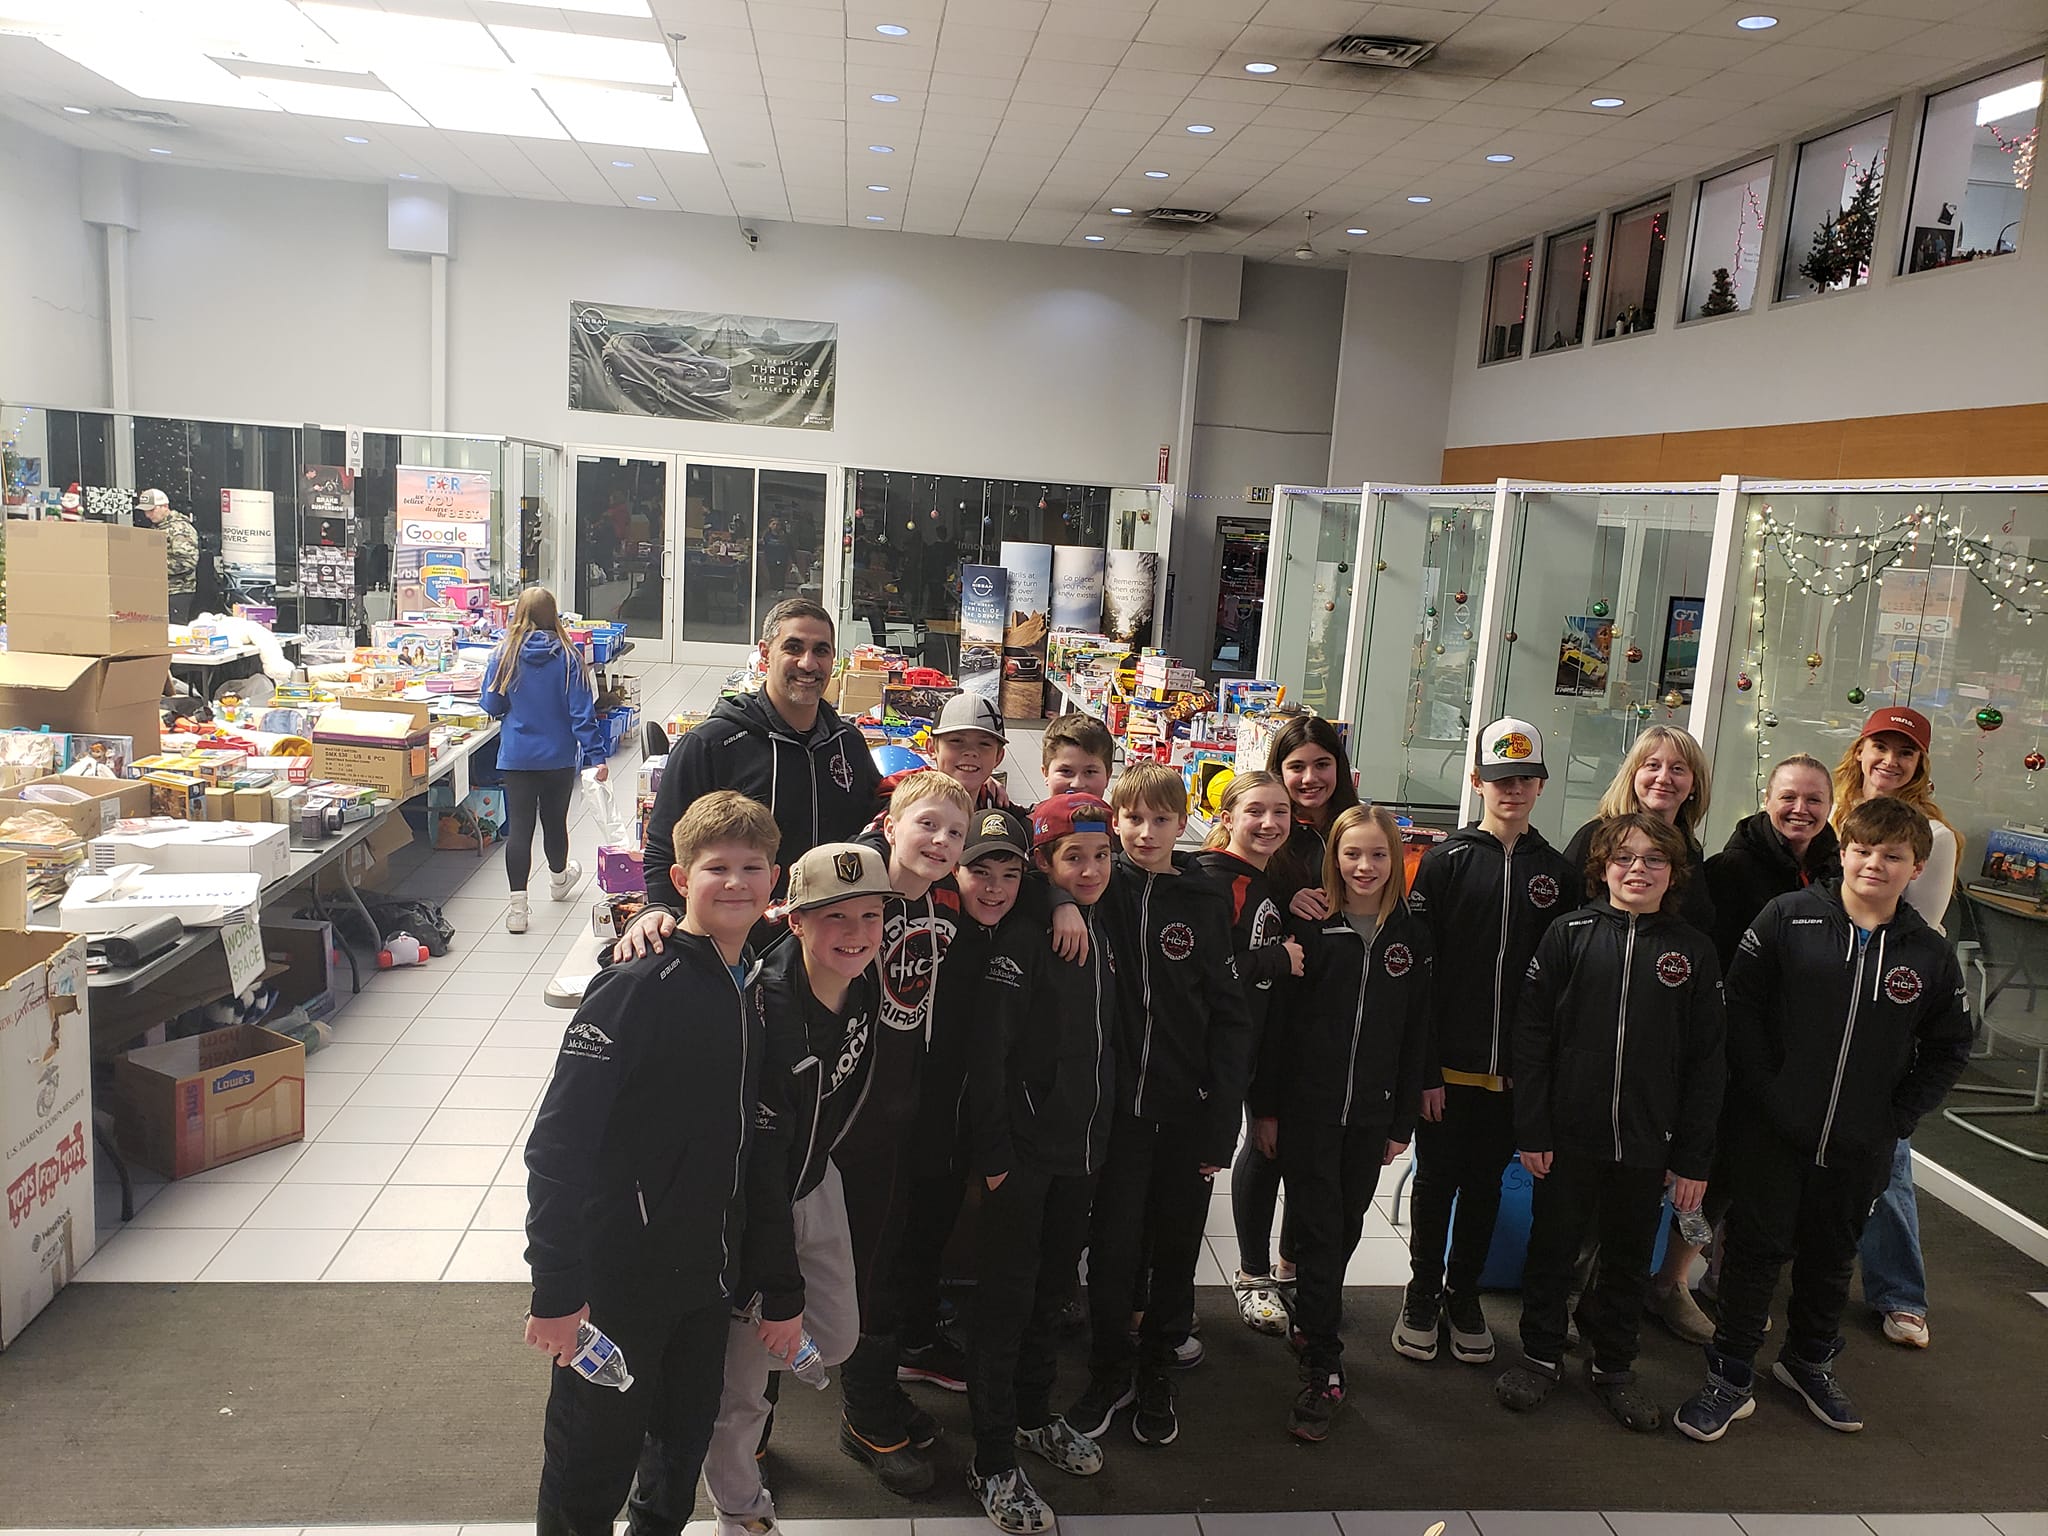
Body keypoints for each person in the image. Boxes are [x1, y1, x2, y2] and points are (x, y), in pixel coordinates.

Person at [522, 791, 789, 1536]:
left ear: (775, 879)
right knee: (588, 1465)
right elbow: (557, 1146)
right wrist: (556, 1288)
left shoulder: (750, 977)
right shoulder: (636, 984)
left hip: (706, 1279)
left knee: (678, 1453)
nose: (735, 882)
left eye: (752, 868)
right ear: (678, 878)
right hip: (621, 1282)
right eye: (716, 868)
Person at [1676, 796, 1971, 1443]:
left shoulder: (1927, 953)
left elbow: (1950, 1046)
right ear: (1844, 854)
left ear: (1917, 867)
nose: (1874, 865)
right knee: (1753, 1256)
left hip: (1861, 1142)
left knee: (1832, 1257)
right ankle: (1729, 1375)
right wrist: (1765, 1094)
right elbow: (1741, 1010)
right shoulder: (1789, 918)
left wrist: (1896, 1117)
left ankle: (1807, 1361)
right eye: (1862, 850)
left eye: (1892, 856)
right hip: (1773, 1131)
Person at [1496, 813, 1724, 1433]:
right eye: (1624, 857)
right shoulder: (1568, 934)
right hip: (1568, 1134)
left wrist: (1693, 1157)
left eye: (1654, 859)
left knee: (1628, 1258)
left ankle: (1615, 1366)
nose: (1637, 869)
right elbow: (1531, 1037)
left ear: (1673, 873)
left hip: (1650, 1140)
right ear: (1602, 868)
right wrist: (1533, 1129)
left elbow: (1707, 1061)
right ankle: (1540, 1356)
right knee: (1553, 1248)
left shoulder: (1693, 951)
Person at [700, 842, 893, 1536]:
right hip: (754, 1209)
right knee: (742, 1396)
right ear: (796, 920)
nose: (856, 933)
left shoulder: (861, 980)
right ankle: (739, 1509)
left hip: (813, 1179)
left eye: (869, 916)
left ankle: (735, 1343)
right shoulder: (768, 1013)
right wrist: (777, 1296)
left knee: (836, 1337)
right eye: (834, 916)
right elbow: (758, 1173)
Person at [1068, 764, 1252, 1450]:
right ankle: (1108, 1369)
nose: (1146, 833)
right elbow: (1046, 870)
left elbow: (1229, 1016)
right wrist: (1060, 903)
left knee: (1176, 1248)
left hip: (1185, 1111)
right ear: (1114, 821)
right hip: (1116, 1114)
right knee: (1113, 1251)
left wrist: (1221, 1122)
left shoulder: (1203, 900)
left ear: (1184, 824)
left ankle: (1156, 1369)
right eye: (1133, 819)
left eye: (1162, 820)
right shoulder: (1099, 888)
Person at [1397, 717, 1577, 1368]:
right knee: (1436, 1181)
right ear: (1477, 781)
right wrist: (1424, 1069)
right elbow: (1420, 975)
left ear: (1541, 785)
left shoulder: (1556, 873)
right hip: (1447, 1069)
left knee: (1485, 1186)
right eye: (1501, 779)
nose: (1513, 789)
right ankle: (1422, 1291)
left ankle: (1463, 1294)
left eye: (1526, 778)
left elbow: (1561, 984)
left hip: (1515, 1074)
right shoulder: (1445, 863)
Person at [966, 792, 1120, 1534]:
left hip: (1079, 1154)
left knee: (1051, 1297)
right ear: (1045, 866)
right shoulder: (1027, 937)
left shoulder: (1100, 925)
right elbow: (988, 1057)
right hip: (1023, 1159)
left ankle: (1032, 1416)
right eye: (1073, 859)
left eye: (1100, 856)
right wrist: (998, 1155)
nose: (1089, 871)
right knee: (1005, 1306)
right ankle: (992, 1458)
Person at [1646, 753, 1838, 1338]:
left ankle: (1722, 1279)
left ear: (1830, 807)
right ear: (1766, 800)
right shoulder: (1730, 870)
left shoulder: (1837, 871)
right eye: (1788, 797)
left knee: (1758, 1179)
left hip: (1796, 1054)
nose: (1800, 809)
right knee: (1710, 1173)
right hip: (1730, 1048)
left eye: (1813, 799)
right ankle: (1668, 1282)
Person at [1267, 805, 1432, 1442]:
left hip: (1371, 1113)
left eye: (1378, 855)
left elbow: (1416, 1033)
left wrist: (1401, 1120)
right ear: (1333, 859)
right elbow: (1279, 1027)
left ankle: (1313, 1319)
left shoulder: (1411, 936)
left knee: (1348, 1223)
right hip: (1308, 1111)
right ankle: (1323, 1362)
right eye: (1352, 854)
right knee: (1320, 1226)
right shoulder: (1311, 927)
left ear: (1397, 860)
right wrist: (1268, 1108)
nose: (1365, 866)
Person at [834, 770, 972, 1495]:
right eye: (927, 825)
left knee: (887, 1262)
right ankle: (862, 1415)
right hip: (848, 1119)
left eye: (955, 832)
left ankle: (877, 1390)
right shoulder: (854, 892)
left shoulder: (942, 899)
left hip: (905, 1109)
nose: (941, 841)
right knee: (862, 1268)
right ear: (889, 825)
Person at [621, 599, 882, 958]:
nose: (808, 663)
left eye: (821, 651)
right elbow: (663, 847)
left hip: (830, 948)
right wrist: (664, 916)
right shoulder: (712, 744)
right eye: (794, 648)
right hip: (737, 949)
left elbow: (878, 821)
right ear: (765, 654)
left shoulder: (847, 743)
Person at [1833, 706, 1956, 1351]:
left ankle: (1901, 1293)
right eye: (1879, 746)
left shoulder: (1932, 835)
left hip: (1885, 1011)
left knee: (1887, 1155)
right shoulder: (1834, 814)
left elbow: (1916, 934)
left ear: (1919, 764)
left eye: (1904, 752)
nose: (1890, 761)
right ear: (1859, 750)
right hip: (1819, 997)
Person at [1190, 771, 1305, 1337]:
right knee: (1188, 1181)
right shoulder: (1216, 881)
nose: (1269, 822)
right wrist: (1276, 959)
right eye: (1255, 811)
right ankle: (1158, 1305)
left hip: (1245, 1051)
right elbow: (1204, 974)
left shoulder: (1260, 881)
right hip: (1204, 1057)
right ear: (1227, 817)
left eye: (1280, 812)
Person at [481, 586, 609, 934]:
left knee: (520, 829)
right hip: (558, 757)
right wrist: (596, 756)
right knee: (555, 822)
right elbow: (582, 714)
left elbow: (491, 705)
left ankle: (517, 910)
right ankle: (558, 880)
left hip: (517, 756)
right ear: (553, 614)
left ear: (519, 614)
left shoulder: (504, 655)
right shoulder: (569, 658)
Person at [1559, 724, 1717, 935]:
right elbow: (1562, 913)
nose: (1663, 778)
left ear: (1694, 784)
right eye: (1652, 765)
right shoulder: (1595, 836)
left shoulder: (1690, 849)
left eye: (1677, 769)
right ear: (1633, 775)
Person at [1266, 713, 1363, 920]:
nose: (1309, 778)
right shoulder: (1264, 832)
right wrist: (1285, 903)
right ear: (1278, 772)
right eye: (1297, 767)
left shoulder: (1365, 829)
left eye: (1322, 765)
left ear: (1339, 766)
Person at [136, 488, 199, 623]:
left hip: (177, 591)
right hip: (160, 590)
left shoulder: (180, 529)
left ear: (164, 506)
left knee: (174, 631)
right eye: (145, 511)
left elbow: (187, 562)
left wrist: (153, 568)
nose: (147, 515)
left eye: (151, 510)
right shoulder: (159, 527)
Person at [1041, 712, 1115, 800]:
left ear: (1108, 776)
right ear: (1046, 773)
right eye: (1066, 771)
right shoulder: (1034, 810)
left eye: (1090, 772)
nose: (1077, 784)